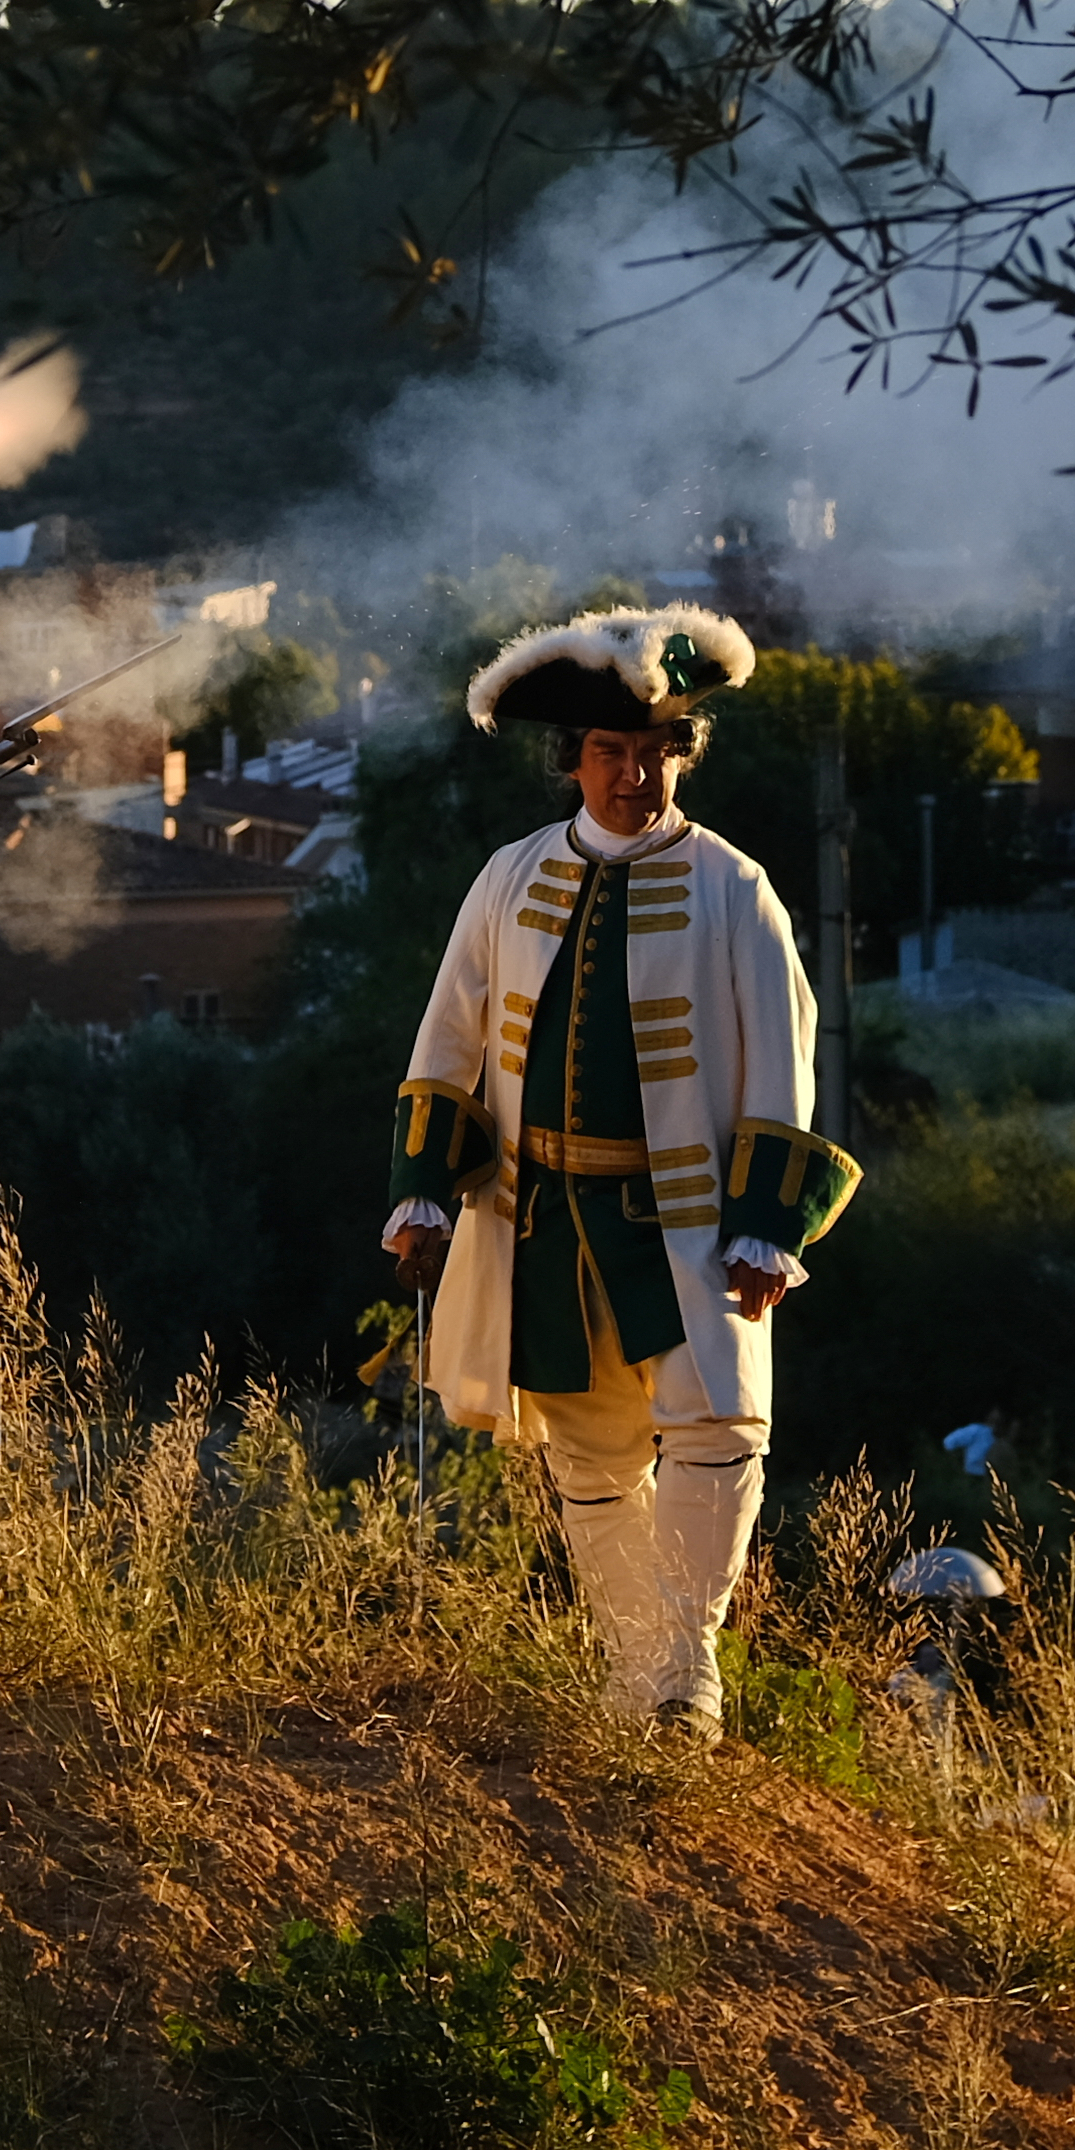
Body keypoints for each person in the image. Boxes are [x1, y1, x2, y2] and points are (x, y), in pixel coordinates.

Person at [381, 608, 858, 1740]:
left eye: (653, 752)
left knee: (714, 1437)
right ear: (573, 761)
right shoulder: (506, 878)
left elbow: (779, 1070)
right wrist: (421, 1197)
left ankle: (681, 1672)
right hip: (540, 1220)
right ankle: (643, 1675)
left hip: (682, 1225)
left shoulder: (733, 890)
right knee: (589, 1464)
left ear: (678, 756)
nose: (631, 774)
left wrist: (764, 1231)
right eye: (608, 753)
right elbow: (446, 1042)